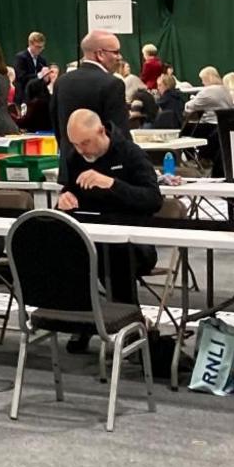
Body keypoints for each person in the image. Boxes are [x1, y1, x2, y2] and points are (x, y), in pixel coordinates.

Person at [55, 110, 162, 307]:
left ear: (101, 131)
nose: (80, 150)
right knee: (60, 248)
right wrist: (64, 198)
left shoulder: (131, 154)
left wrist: (112, 184)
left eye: (85, 143)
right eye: (74, 144)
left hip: (132, 241)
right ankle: (78, 320)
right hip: (91, 236)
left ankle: (127, 319)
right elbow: (69, 190)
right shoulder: (74, 158)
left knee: (112, 254)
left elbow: (153, 199)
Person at [54, 31, 128, 158]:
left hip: (68, 166)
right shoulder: (113, 84)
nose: (119, 57)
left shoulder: (61, 82)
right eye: (115, 52)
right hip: (103, 170)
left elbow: (57, 126)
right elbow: (119, 134)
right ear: (100, 54)